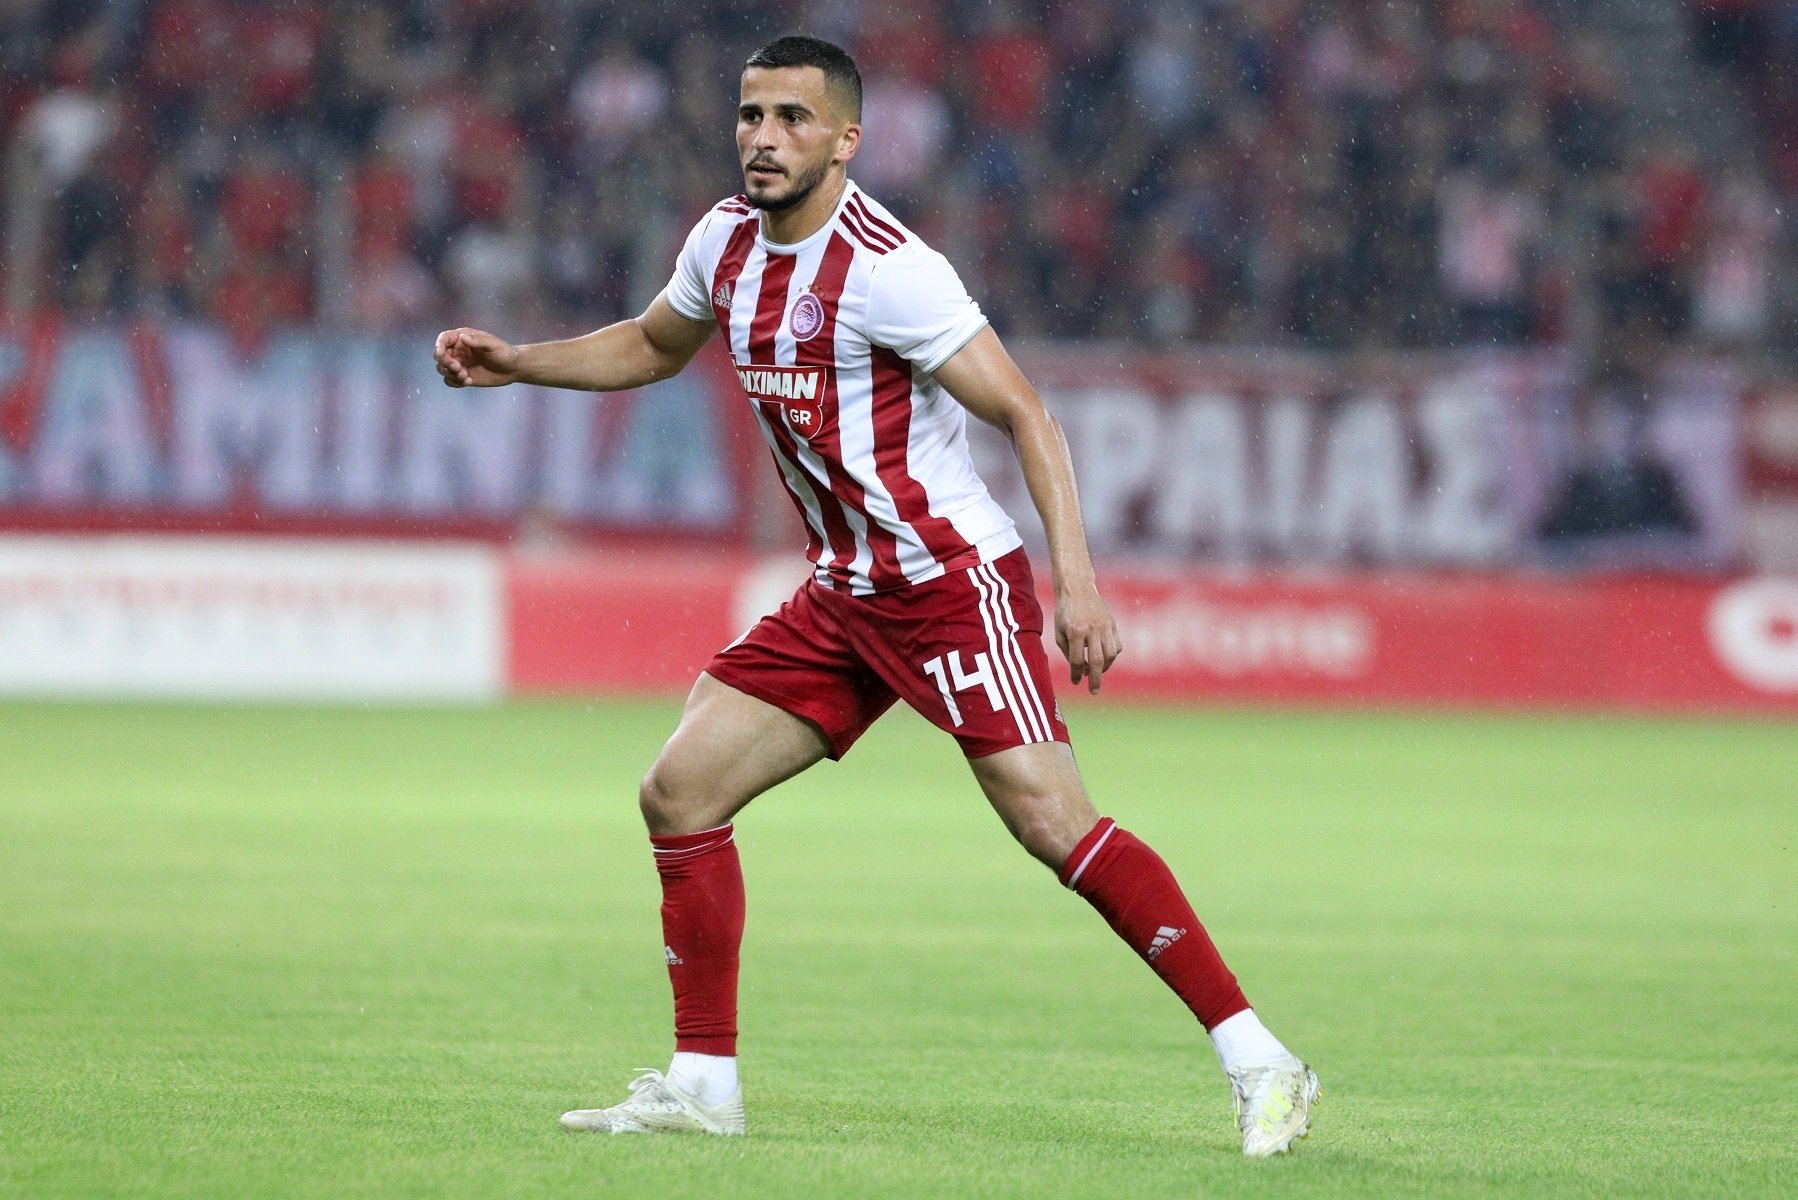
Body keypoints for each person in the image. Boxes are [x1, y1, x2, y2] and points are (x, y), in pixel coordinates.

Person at [433, 35, 1319, 1158]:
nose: (764, 138)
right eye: (751, 114)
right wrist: (518, 361)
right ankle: (703, 1085)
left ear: (847, 139)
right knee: (680, 792)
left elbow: (1026, 413)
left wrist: (1078, 587)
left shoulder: (889, 267)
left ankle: (1262, 1060)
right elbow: (654, 345)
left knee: (1052, 825)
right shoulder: (722, 242)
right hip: (843, 593)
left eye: (792, 119)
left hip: (948, 583)